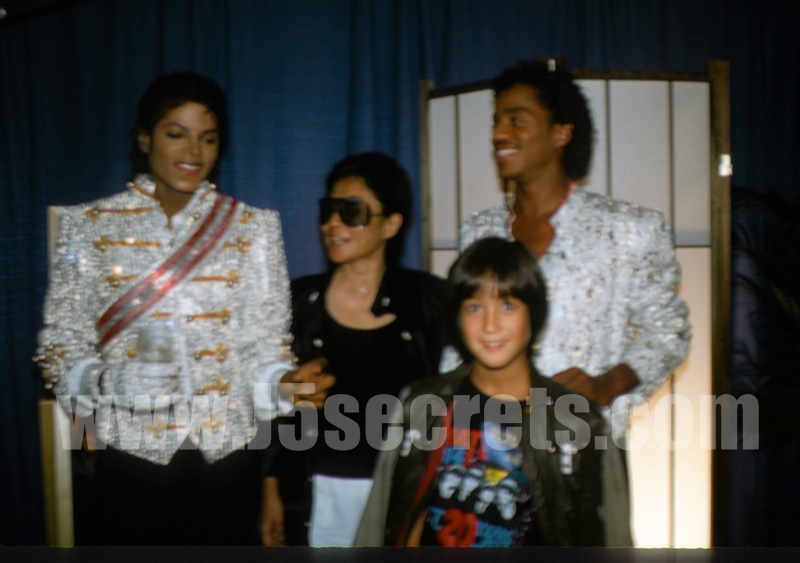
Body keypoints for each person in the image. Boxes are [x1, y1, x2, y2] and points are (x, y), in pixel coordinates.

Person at [35, 71, 333, 545]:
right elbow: (59, 347)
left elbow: (263, 345)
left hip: (226, 458)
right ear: (144, 138)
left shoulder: (253, 227)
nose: (193, 151)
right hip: (130, 456)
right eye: (176, 134)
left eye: (207, 138)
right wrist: (108, 383)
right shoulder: (87, 226)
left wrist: (284, 383)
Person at [447, 59, 691, 439]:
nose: (499, 134)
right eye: (496, 122)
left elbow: (668, 333)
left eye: (516, 120)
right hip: (487, 443)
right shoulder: (478, 232)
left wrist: (606, 384)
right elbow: (457, 344)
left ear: (561, 133)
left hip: (582, 445)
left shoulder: (627, 230)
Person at [355, 237, 632, 546]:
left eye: (507, 305)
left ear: (533, 313)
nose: (490, 325)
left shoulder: (578, 420)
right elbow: (377, 522)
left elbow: (614, 538)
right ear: (457, 317)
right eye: (474, 307)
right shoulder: (420, 404)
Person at [260, 152, 447, 547]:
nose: (333, 223)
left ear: (391, 224)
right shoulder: (296, 302)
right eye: (328, 210)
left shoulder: (429, 301)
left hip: (401, 498)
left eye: (352, 212)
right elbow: (271, 416)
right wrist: (270, 491)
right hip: (313, 498)